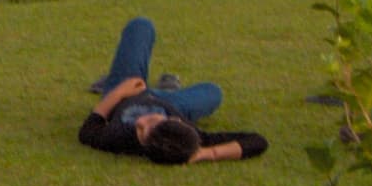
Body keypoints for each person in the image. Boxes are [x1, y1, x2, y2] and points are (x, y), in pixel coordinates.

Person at [78, 17, 268, 165]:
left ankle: (110, 81)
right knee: (213, 92)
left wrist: (118, 92)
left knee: (140, 25)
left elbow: (88, 131)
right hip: (173, 104)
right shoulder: (191, 137)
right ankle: (165, 89)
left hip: (125, 92)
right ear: (176, 121)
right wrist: (206, 153)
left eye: (141, 132)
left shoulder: (120, 138)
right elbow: (257, 141)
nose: (141, 122)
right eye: (151, 122)